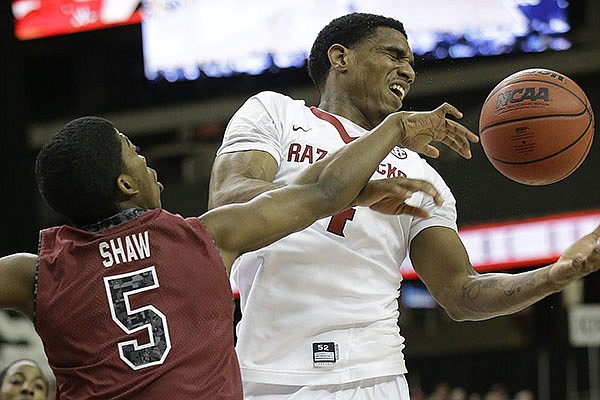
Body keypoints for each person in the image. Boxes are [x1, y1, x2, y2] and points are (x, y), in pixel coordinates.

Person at [208, 12, 600, 399]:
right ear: (340, 58)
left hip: (376, 375)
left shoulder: (420, 175)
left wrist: (552, 275)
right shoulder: (276, 113)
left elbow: (461, 294)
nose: (409, 72)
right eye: (394, 56)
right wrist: (390, 134)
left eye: (411, 64)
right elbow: (228, 202)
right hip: (269, 374)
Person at [0, 106, 474, 399]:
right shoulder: (206, 239)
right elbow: (325, 191)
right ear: (125, 185)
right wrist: (392, 131)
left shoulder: (35, 274)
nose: (146, 161)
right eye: (135, 153)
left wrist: (359, 191)